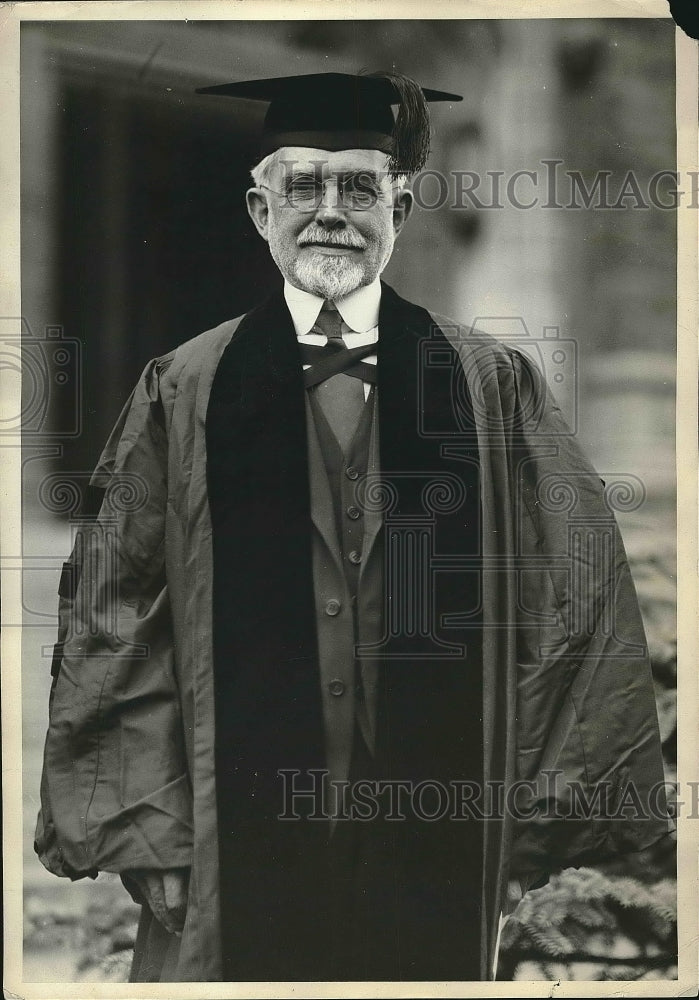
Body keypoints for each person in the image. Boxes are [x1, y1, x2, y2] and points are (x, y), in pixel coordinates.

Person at [35, 70, 673, 983]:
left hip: (434, 824)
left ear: (400, 208)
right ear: (260, 209)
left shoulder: (488, 385)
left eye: (358, 187)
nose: (329, 212)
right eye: (302, 186)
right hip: (227, 829)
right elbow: (113, 612)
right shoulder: (185, 384)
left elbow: (572, 593)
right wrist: (151, 826)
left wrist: (532, 818)